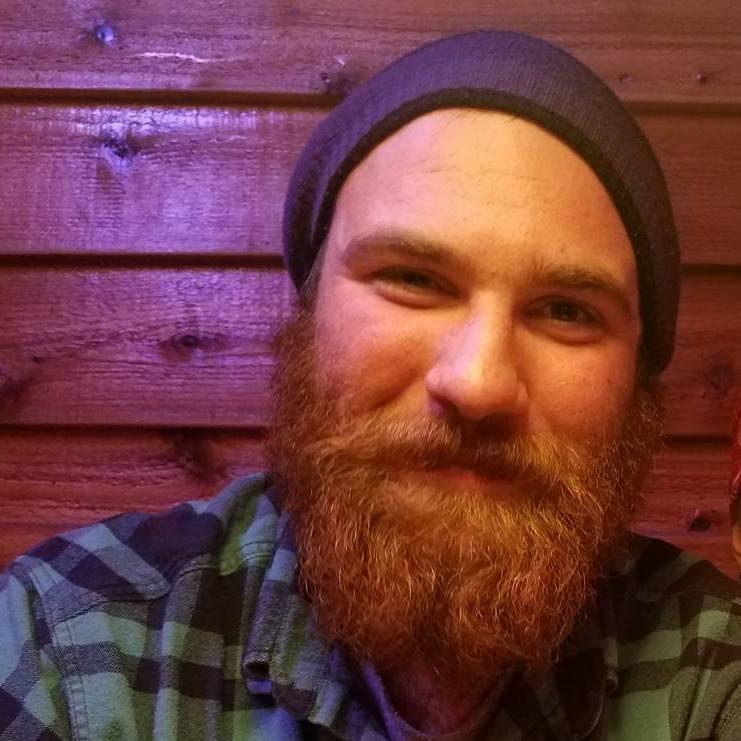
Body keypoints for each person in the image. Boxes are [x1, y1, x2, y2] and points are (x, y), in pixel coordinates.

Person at [1, 30, 740, 740]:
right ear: (308, 313)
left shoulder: (710, 668)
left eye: (566, 312)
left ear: (637, 383)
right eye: (413, 279)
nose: (478, 383)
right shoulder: (72, 644)